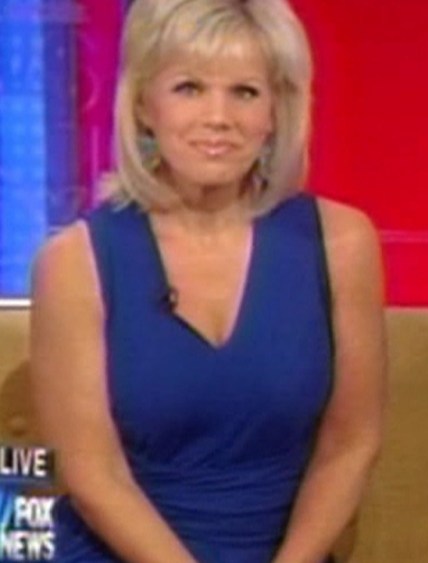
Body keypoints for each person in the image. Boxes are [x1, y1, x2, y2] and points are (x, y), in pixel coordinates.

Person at [29, 0, 386, 561]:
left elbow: (351, 443)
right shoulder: (75, 262)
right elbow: (93, 477)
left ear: (276, 111)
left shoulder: (341, 243)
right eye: (189, 88)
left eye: (245, 92)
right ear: (144, 105)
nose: (218, 117)